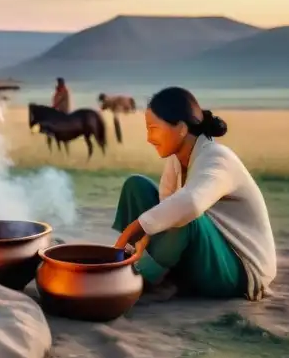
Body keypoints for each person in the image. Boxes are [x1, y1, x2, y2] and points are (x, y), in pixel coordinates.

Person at [112, 87, 277, 301]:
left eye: (153, 128)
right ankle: (143, 267)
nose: (149, 138)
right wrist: (146, 236)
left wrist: (136, 229)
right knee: (137, 186)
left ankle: (142, 278)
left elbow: (190, 204)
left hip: (236, 269)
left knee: (188, 216)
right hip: (199, 256)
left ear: (181, 128)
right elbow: (166, 206)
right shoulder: (177, 158)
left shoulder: (218, 159)